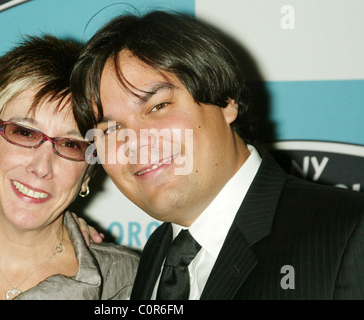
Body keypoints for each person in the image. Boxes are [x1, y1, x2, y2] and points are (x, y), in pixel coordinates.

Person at [70, 11, 364, 299]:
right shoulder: (155, 254)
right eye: (109, 130)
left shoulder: (348, 234)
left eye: (158, 107)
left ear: (225, 101)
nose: (132, 142)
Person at [0, 35, 138, 300]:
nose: (42, 167)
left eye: (70, 145)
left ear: (88, 173)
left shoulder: (133, 284)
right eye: (24, 133)